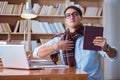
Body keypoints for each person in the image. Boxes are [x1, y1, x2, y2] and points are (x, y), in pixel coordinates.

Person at [33, 6, 118, 80]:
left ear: (81, 17)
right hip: (68, 78)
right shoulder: (60, 39)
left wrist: (106, 48)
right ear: (65, 20)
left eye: (75, 14)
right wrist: (55, 47)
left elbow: (114, 57)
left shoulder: (92, 35)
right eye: (68, 15)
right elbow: (36, 53)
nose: (71, 17)